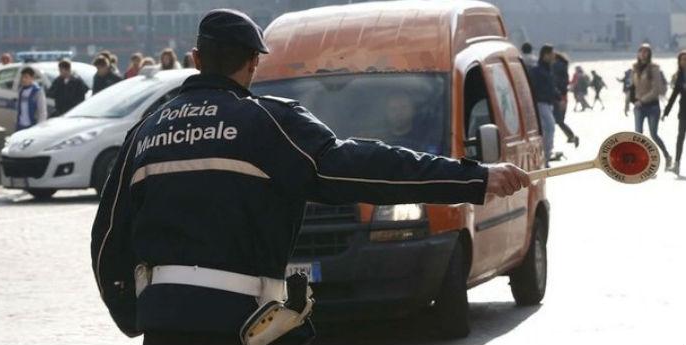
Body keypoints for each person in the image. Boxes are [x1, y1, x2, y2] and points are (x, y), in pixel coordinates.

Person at [91, 8, 530, 345]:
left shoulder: (145, 131)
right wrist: (473, 178)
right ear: (253, 64)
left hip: (163, 321)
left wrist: (134, 312)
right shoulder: (268, 123)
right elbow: (366, 167)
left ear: (196, 58)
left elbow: (107, 237)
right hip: (241, 320)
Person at [631, 44, 672, 171]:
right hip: (638, 107)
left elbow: (656, 90)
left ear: (649, 54)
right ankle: (643, 164)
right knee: (639, 136)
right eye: (641, 51)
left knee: (653, 134)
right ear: (638, 53)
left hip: (652, 106)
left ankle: (667, 156)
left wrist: (642, 101)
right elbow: (632, 87)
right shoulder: (635, 68)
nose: (643, 54)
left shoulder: (654, 68)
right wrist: (628, 103)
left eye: (646, 52)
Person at [530, 44, 560, 166]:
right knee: (549, 128)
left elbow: (551, 87)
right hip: (541, 103)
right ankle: (545, 157)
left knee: (547, 129)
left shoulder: (548, 70)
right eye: (552, 54)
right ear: (545, 55)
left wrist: (557, 96)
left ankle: (545, 156)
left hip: (548, 103)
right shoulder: (538, 71)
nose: (554, 57)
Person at [663, 50, 686, 175]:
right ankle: (677, 165)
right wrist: (666, 111)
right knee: (680, 138)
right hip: (683, 112)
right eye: (682, 59)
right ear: (679, 62)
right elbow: (674, 95)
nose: (684, 62)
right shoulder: (680, 76)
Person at [552, 52, 579, 147]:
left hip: (559, 97)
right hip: (564, 97)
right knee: (559, 121)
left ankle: (572, 136)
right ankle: (571, 136)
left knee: (557, 121)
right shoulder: (564, 68)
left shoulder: (555, 68)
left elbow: (556, 83)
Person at [15, 67, 47, 131]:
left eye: (26, 77)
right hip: (20, 126)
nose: (23, 79)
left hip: (32, 126)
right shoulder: (21, 90)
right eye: (22, 77)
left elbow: (42, 111)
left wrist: (39, 127)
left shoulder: (37, 91)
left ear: (32, 78)